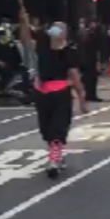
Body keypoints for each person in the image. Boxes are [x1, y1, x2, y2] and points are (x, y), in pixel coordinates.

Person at [24, 19, 88, 179]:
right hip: (42, 92)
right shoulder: (42, 44)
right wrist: (22, 20)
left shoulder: (69, 51)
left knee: (58, 128)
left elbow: (74, 75)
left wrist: (81, 98)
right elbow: (26, 37)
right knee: (46, 129)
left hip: (60, 92)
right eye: (54, 28)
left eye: (60, 29)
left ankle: (54, 161)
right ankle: (56, 154)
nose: (56, 31)